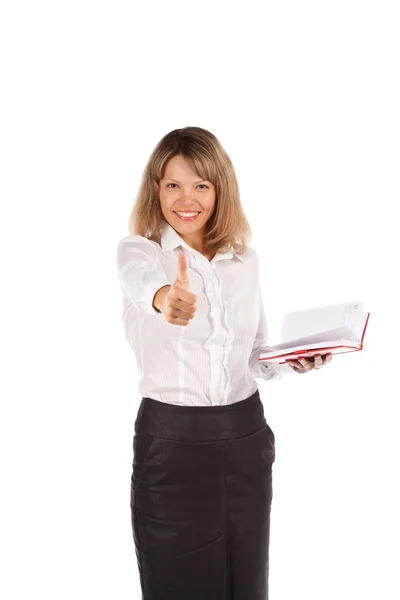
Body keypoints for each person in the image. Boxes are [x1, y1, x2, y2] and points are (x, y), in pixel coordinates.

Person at [115, 126, 332, 600]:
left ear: (220, 190)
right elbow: (143, 284)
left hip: (246, 444)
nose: (185, 199)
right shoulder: (141, 252)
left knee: (247, 587)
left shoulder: (244, 261)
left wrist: (292, 360)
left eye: (201, 185)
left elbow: (254, 354)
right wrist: (165, 298)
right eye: (172, 184)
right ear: (156, 189)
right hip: (171, 452)